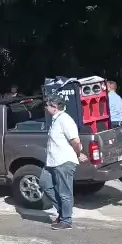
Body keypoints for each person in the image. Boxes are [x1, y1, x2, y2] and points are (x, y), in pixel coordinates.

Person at [40, 95, 88, 230]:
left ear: (54, 107)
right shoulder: (56, 120)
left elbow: (75, 141)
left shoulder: (65, 120)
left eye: (47, 105)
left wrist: (78, 154)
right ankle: (62, 212)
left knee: (64, 192)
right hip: (52, 162)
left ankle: (66, 220)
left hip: (64, 161)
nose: (45, 107)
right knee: (45, 183)